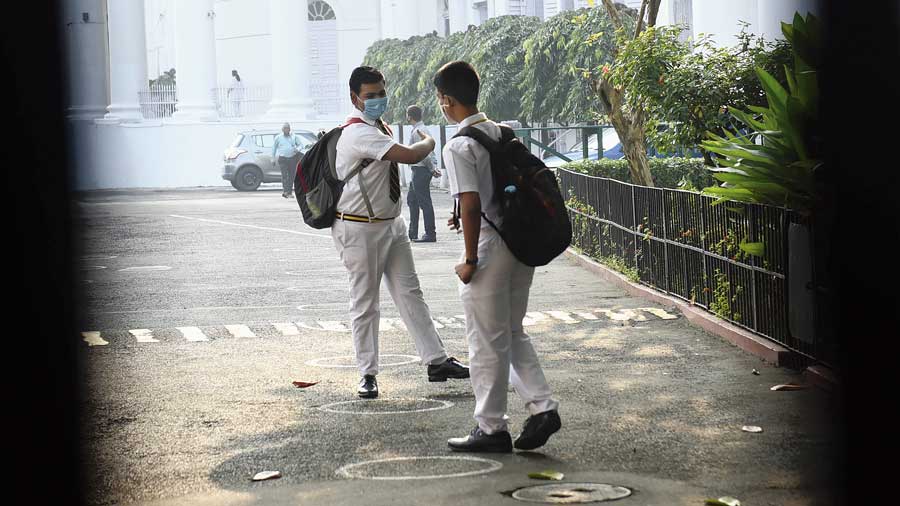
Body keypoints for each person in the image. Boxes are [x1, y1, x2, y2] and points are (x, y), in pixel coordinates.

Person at [437, 61, 561, 453]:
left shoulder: (458, 145)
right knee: (510, 331)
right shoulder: (502, 132)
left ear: (447, 100)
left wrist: (469, 259)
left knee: (486, 341)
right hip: (519, 243)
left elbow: (472, 204)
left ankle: (491, 428)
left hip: (490, 247)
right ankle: (542, 408)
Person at [332, 66, 469, 399]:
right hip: (359, 227)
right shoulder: (357, 132)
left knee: (411, 293)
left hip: (390, 223)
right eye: (371, 96)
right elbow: (409, 156)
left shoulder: (378, 125)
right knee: (365, 303)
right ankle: (367, 373)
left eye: (381, 92)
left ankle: (436, 360)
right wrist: (431, 139)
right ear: (355, 98)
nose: (379, 99)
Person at [405, 105, 441, 243]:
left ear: (409, 116)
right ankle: (412, 233)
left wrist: (432, 169)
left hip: (421, 170)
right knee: (412, 200)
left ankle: (430, 233)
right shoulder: (419, 129)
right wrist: (433, 167)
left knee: (424, 202)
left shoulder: (418, 131)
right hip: (419, 170)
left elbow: (425, 153)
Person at [273, 122, 300, 198]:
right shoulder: (278, 137)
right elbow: (274, 148)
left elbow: (300, 145)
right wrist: (273, 158)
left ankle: (289, 192)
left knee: (291, 176)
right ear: (282, 129)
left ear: (289, 129)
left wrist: (297, 149)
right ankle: (285, 191)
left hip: (292, 158)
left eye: (287, 128)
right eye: (285, 128)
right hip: (282, 159)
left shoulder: (294, 137)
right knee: (285, 175)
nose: (286, 130)